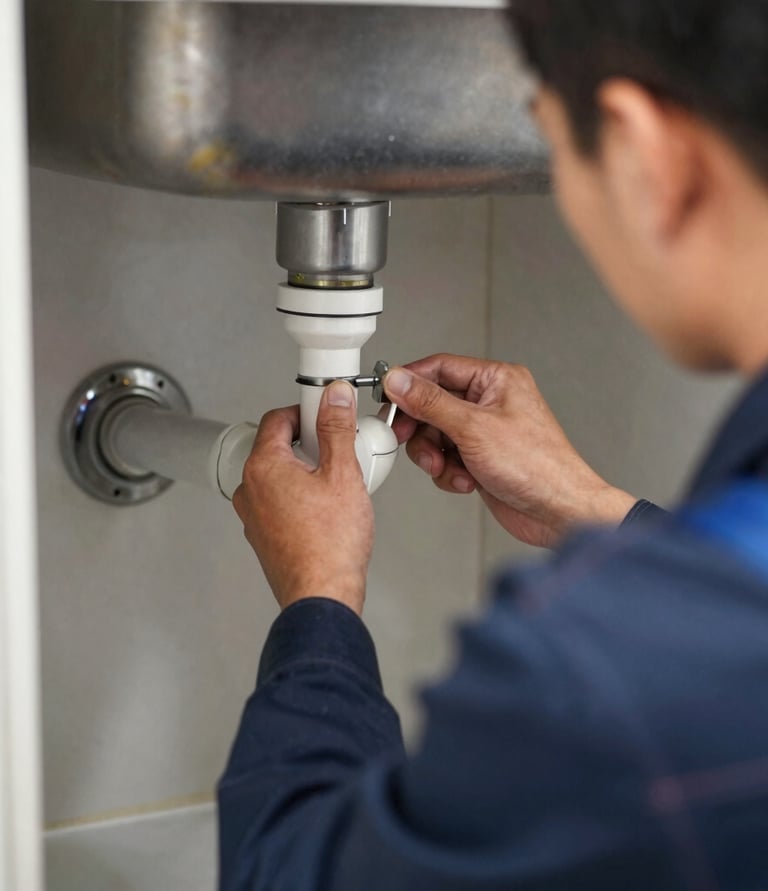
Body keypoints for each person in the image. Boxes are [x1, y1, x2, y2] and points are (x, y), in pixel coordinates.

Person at [219, 1, 768, 888]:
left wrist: (319, 597)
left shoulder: (599, 675)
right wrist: (588, 506)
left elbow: (289, 873)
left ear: (642, 152)